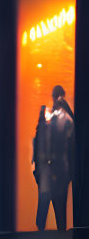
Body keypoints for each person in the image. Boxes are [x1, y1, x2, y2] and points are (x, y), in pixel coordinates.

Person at [33, 85, 75, 230]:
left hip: (58, 171)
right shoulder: (51, 119)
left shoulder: (64, 119)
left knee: (57, 211)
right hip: (51, 171)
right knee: (48, 211)